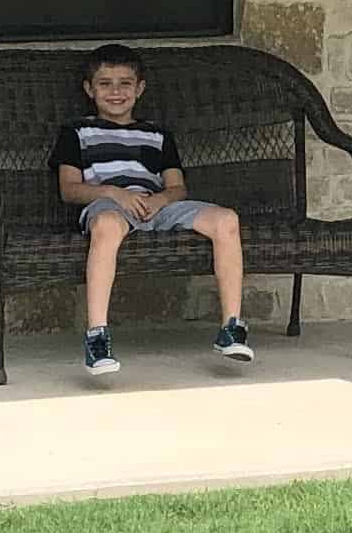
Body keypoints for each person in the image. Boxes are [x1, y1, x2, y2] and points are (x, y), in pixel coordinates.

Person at [50, 46, 252, 383]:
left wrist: (160, 200)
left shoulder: (158, 135)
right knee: (106, 225)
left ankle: (231, 327)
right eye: (105, 84)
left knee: (226, 219)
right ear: (89, 89)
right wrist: (113, 193)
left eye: (125, 83)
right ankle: (97, 336)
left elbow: (177, 188)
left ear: (140, 88)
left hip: (156, 205)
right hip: (108, 203)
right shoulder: (76, 133)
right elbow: (69, 189)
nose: (116, 92)